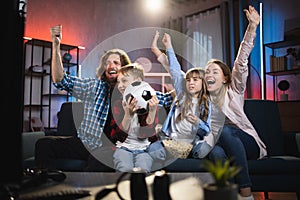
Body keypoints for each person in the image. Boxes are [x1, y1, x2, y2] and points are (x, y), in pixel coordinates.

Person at [34, 24, 132, 171]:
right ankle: (45, 184)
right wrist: (56, 45)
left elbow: (163, 99)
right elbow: (60, 80)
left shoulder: (132, 91)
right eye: (107, 63)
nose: (110, 65)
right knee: (43, 144)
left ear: (124, 68)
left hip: (111, 148)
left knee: (99, 159)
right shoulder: (93, 86)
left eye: (116, 62)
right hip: (87, 144)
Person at [204, 5, 267, 200]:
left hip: (247, 143)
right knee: (215, 152)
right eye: (207, 72)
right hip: (220, 144)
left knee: (224, 130)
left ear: (224, 78)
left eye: (215, 71)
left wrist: (252, 27)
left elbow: (241, 61)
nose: (209, 74)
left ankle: (246, 192)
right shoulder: (202, 101)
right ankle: (227, 195)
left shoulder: (234, 90)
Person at [151, 31, 212, 160]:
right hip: (172, 140)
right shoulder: (182, 93)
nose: (191, 83)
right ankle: (169, 154)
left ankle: (186, 153)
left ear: (203, 83)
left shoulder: (206, 103)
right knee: (153, 150)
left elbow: (207, 129)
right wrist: (169, 46)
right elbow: (174, 70)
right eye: (189, 80)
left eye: (195, 80)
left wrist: (198, 122)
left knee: (203, 150)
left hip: (192, 142)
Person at [112, 63, 163, 172]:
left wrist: (152, 111)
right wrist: (127, 115)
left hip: (144, 149)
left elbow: (146, 134)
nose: (120, 85)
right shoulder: (118, 104)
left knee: (143, 170)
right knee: (124, 169)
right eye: (118, 82)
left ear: (138, 81)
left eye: (124, 81)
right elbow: (118, 136)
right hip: (123, 148)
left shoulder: (150, 103)